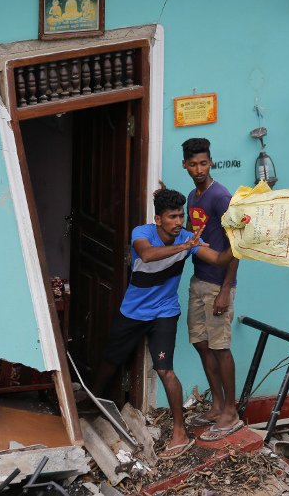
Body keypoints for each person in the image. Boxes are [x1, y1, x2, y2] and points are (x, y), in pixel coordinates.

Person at [92, 187, 233, 460]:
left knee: (165, 369)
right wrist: (184, 246)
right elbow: (146, 255)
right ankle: (92, 401)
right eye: (172, 216)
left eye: (181, 216)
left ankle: (179, 433)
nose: (179, 221)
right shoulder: (142, 233)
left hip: (165, 313)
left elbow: (217, 259)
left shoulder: (187, 238)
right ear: (158, 219)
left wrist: (239, 243)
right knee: (111, 359)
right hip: (133, 311)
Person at [180, 138, 243, 441]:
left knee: (220, 347)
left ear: (211, 162)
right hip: (199, 279)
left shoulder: (221, 197)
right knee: (201, 343)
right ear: (185, 165)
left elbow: (237, 245)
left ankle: (231, 412)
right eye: (193, 164)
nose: (199, 169)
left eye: (203, 163)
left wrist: (225, 290)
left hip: (219, 284)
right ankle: (217, 405)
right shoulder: (193, 196)